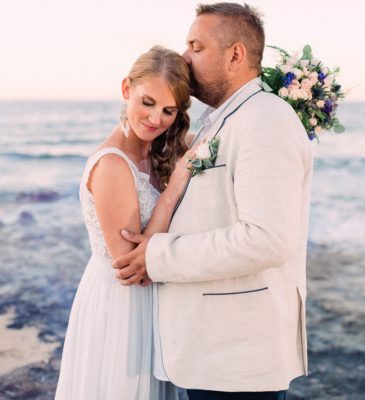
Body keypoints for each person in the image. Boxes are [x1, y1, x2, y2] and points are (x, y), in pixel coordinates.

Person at [114, 3, 313, 400]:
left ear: (235, 55)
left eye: (196, 46)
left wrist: (157, 256)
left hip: (237, 357)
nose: (184, 58)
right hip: (212, 351)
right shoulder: (222, 119)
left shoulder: (265, 120)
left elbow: (267, 239)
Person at [55, 45, 193, 400]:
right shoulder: (114, 164)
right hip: (119, 307)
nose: (155, 119)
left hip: (153, 304)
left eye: (168, 110)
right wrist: (175, 185)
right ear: (126, 89)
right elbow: (131, 266)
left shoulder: (154, 149)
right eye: (147, 102)